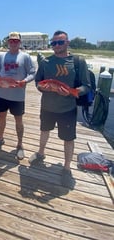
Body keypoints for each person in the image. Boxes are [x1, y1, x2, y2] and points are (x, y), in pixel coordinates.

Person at [30, 30, 91, 188]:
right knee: (44, 131)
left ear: (67, 43)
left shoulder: (78, 61)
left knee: (68, 139)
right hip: (47, 107)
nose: (57, 45)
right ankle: (40, 153)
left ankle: (66, 167)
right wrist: (45, 89)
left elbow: (86, 86)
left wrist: (73, 93)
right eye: (54, 43)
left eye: (60, 42)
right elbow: (38, 82)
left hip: (68, 109)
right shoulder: (45, 62)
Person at [0, 32, 36, 160]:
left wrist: (25, 81)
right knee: (1, 118)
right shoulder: (1, 56)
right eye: (11, 41)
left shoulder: (25, 57)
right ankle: (0, 139)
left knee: (19, 121)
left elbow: (32, 73)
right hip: (2, 94)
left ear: (20, 42)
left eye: (16, 41)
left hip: (18, 96)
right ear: (8, 42)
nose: (13, 43)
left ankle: (20, 145)